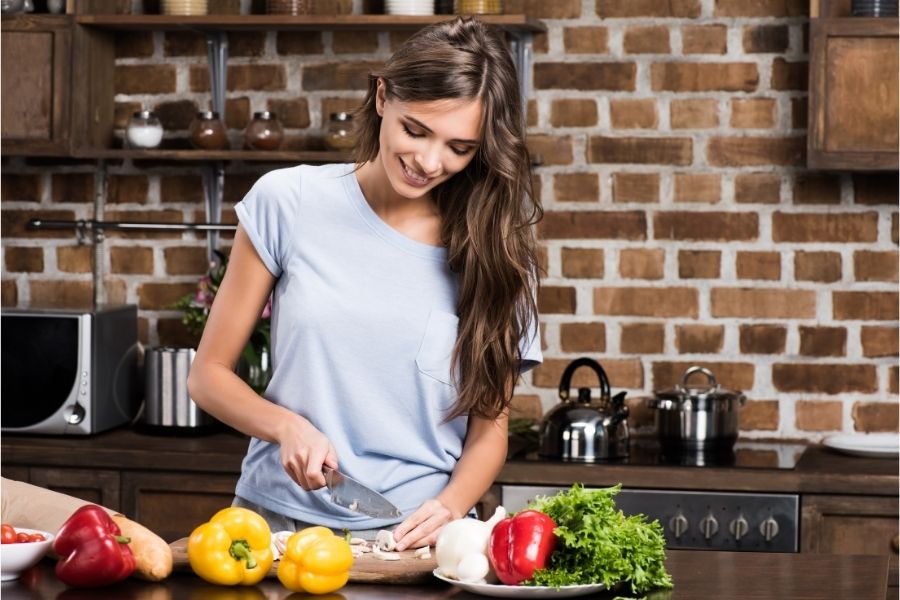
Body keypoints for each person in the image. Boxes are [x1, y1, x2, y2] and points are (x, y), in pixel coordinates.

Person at [187, 16, 542, 552]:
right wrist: (284, 425)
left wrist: (448, 508)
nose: (428, 162)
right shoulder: (289, 201)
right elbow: (207, 377)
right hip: (269, 527)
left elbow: (489, 430)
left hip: (411, 540)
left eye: (459, 148)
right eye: (416, 130)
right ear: (382, 97)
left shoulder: (499, 255)